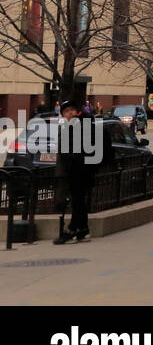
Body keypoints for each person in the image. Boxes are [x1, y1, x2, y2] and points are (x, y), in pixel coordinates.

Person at [53, 102, 93, 244]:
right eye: (67, 111)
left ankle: (72, 231)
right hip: (70, 169)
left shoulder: (80, 126)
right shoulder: (65, 127)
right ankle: (83, 230)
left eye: (72, 110)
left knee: (77, 201)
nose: (70, 113)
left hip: (76, 169)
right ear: (62, 114)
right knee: (78, 201)